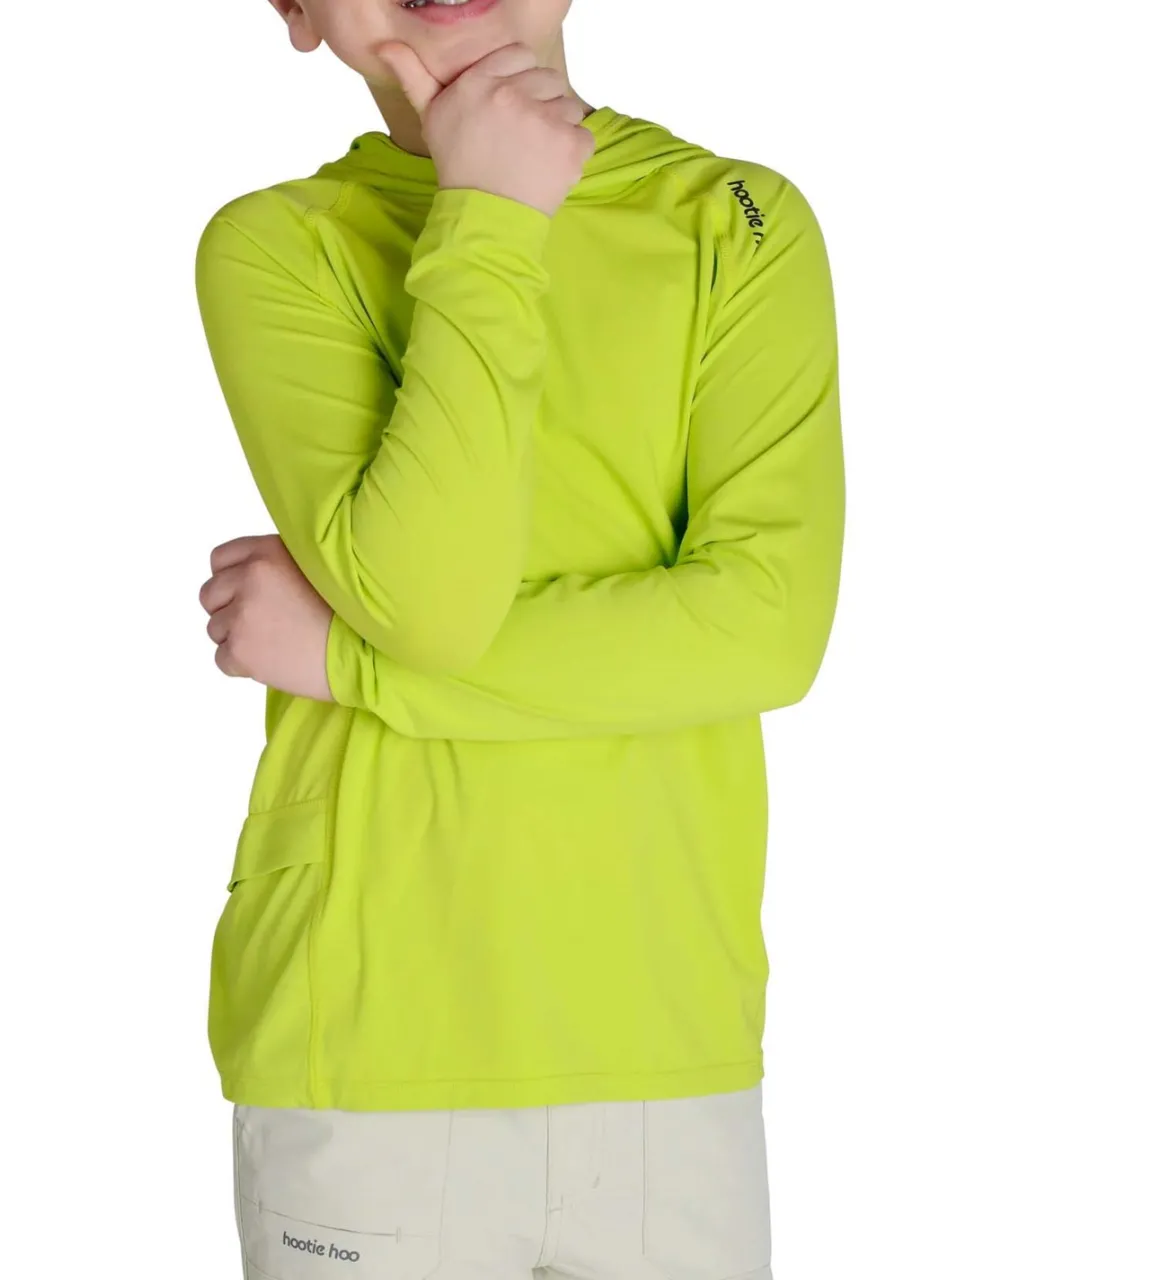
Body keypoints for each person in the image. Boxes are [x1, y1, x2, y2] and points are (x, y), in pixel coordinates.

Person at [193, 1, 844, 1276]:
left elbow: (763, 630)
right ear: (293, 10)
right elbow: (430, 597)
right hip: (366, 1049)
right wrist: (488, 214)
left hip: (668, 1040)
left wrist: (346, 663)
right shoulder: (278, 244)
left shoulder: (737, 220)